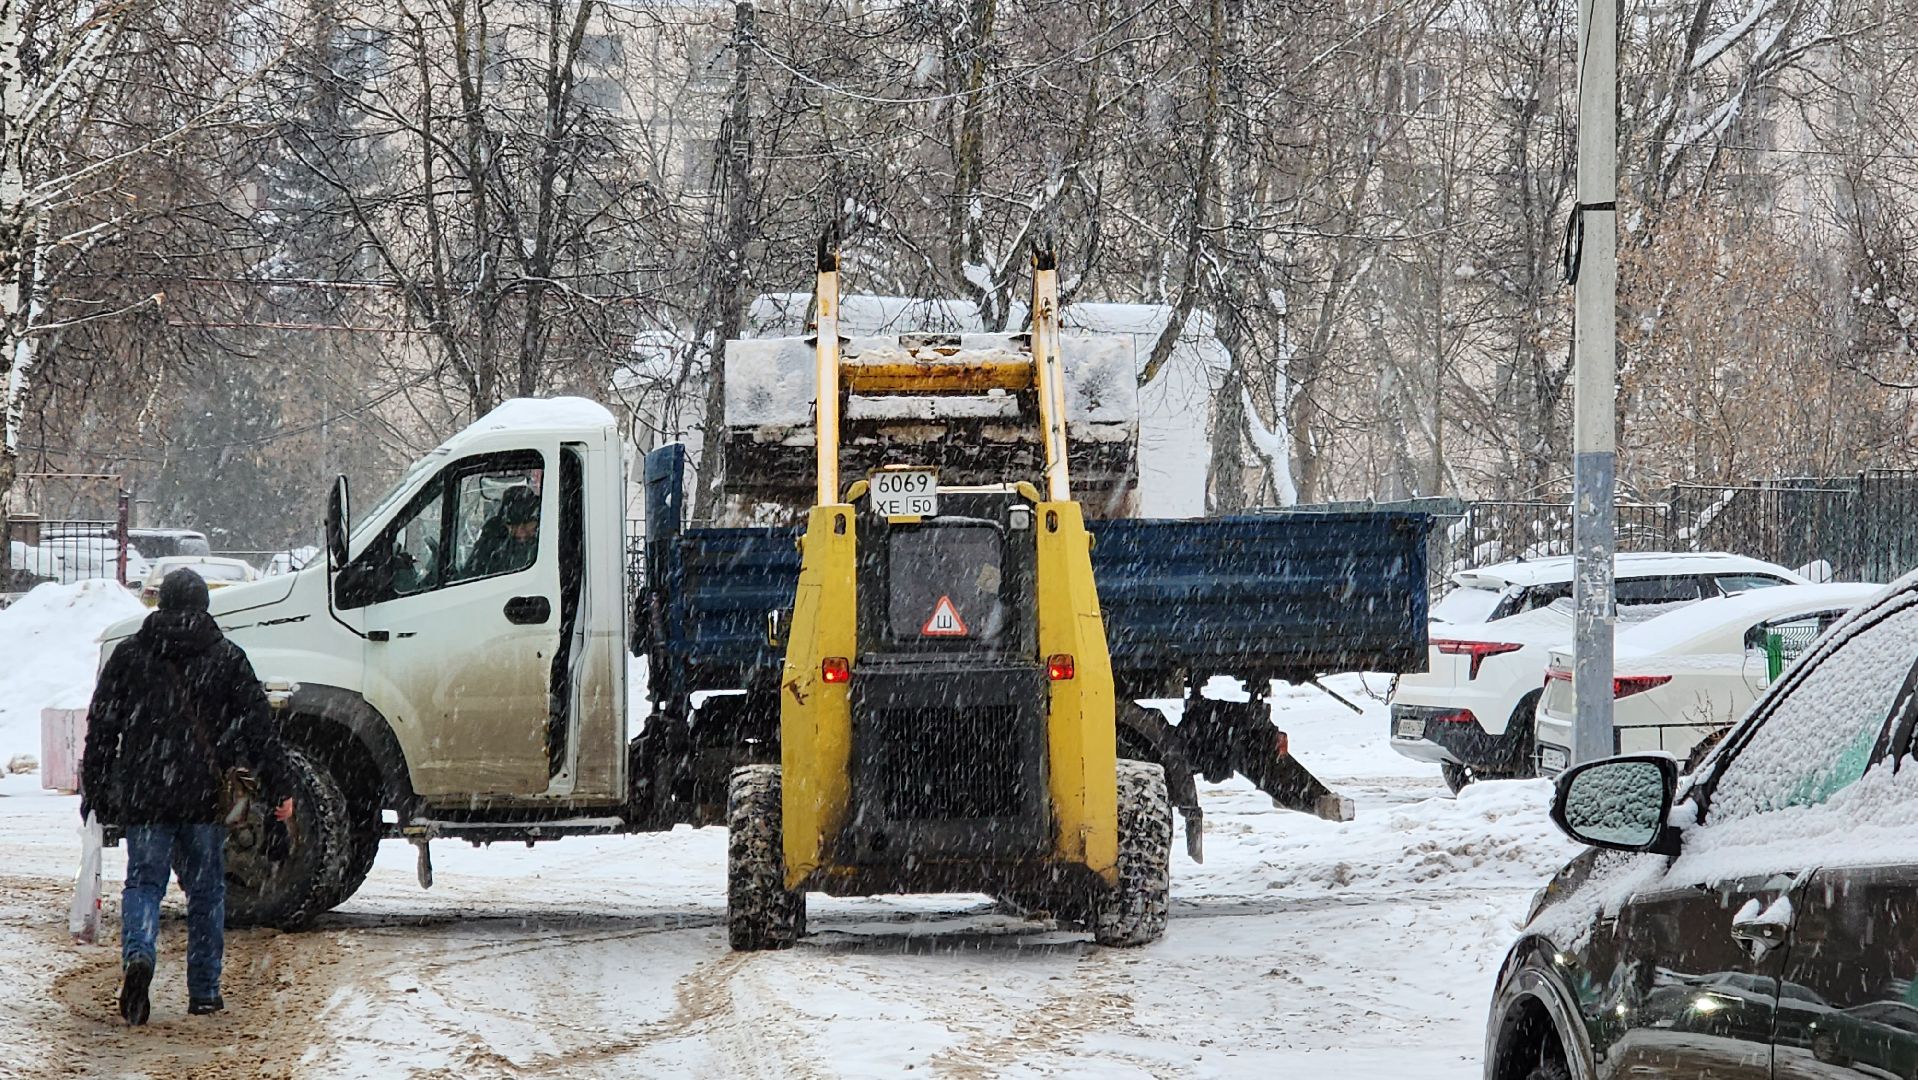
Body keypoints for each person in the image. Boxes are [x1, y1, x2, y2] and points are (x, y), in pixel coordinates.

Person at [80, 569, 294, 1026]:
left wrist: (95, 786)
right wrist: (279, 786)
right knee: (206, 891)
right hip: (203, 796)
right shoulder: (226, 656)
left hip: (145, 793)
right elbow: (259, 729)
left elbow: (102, 727)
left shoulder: (129, 655)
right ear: (204, 605)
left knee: (144, 884)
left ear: (161, 604)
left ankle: (140, 954)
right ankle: (205, 992)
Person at [465, 485, 540, 578]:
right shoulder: (493, 541)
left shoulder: (543, 540)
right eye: (513, 525)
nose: (522, 532)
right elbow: (472, 572)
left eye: (528, 524)